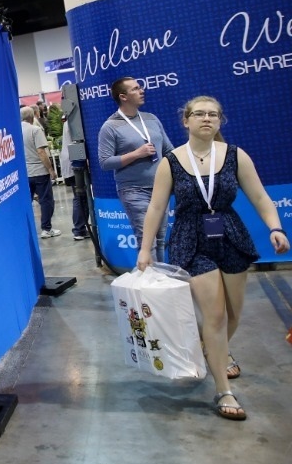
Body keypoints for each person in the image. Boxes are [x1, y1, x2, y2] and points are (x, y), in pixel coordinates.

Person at [136, 96, 289, 421]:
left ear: (220, 120)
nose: (207, 118)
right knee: (215, 316)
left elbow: (260, 196)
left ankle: (213, 348)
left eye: (213, 114)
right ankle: (223, 389)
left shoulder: (235, 156)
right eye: (199, 114)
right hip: (190, 240)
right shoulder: (171, 162)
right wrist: (145, 248)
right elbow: (156, 207)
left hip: (230, 236)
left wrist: (275, 228)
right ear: (186, 121)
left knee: (233, 315)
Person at [98, 77, 174, 260]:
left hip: (160, 188)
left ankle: (160, 275)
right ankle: (150, 277)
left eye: (140, 87)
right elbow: (105, 162)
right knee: (147, 241)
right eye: (135, 89)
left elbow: (168, 150)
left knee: (161, 238)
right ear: (123, 97)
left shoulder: (151, 119)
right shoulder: (110, 126)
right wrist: (136, 154)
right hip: (134, 190)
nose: (142, 91)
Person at [21, 106, 60, 238]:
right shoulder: (35, 130)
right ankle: (46, 229)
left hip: (25, 173)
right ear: (32, 116)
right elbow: (41, 152)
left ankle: (25, 229)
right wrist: (50, 169)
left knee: (26, 201)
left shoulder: (16, 131)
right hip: (39, 172)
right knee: (46, 201)